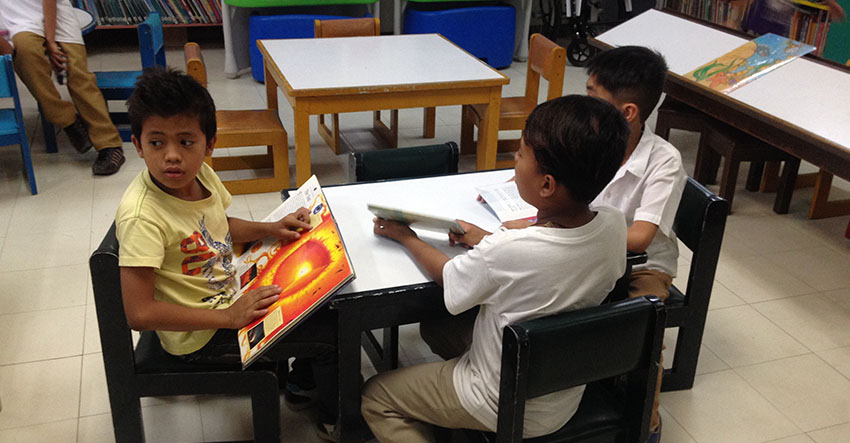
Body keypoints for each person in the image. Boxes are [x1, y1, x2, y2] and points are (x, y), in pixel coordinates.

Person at [361, 95, 630, 442]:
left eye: (520, 154)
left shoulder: (507, 250)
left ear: (547, 185)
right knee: (435, 328)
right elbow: (546, 253)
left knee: (377, 396)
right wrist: (490, 239)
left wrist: (406, 236)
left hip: (500, 399)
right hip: (560, 389)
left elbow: (450, 279)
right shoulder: (613, 226)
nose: (514, 161)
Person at [116, 67, 338, 441]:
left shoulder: (200, 176)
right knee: (332, 337)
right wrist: (228, 316)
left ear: (210, 144)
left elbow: (219, 224)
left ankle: (303, 385)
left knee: (323, 295)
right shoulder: (143, 217)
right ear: (138, 145)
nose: (172, 156)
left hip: (227, 299)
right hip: (196, 338)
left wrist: (272, 228)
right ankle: (340, 423)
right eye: (157, 143)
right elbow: (138, 313)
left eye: (186, 142)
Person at [585, 45, 688, 442]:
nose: (586, 103)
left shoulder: (664, 161)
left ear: (628, 111)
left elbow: (641, 238)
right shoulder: (591, 136)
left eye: (594, 96)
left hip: (644, 264)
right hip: (593, 250)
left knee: (640, 327)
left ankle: (645, 425)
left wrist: (577, 233)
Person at [0, 0, 125, 175]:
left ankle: (110, 145)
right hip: (18, 24)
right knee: (26, 59)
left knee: (77, 74)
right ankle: (67, 120)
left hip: (55, 15)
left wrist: (50, 41)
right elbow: (10, 53)